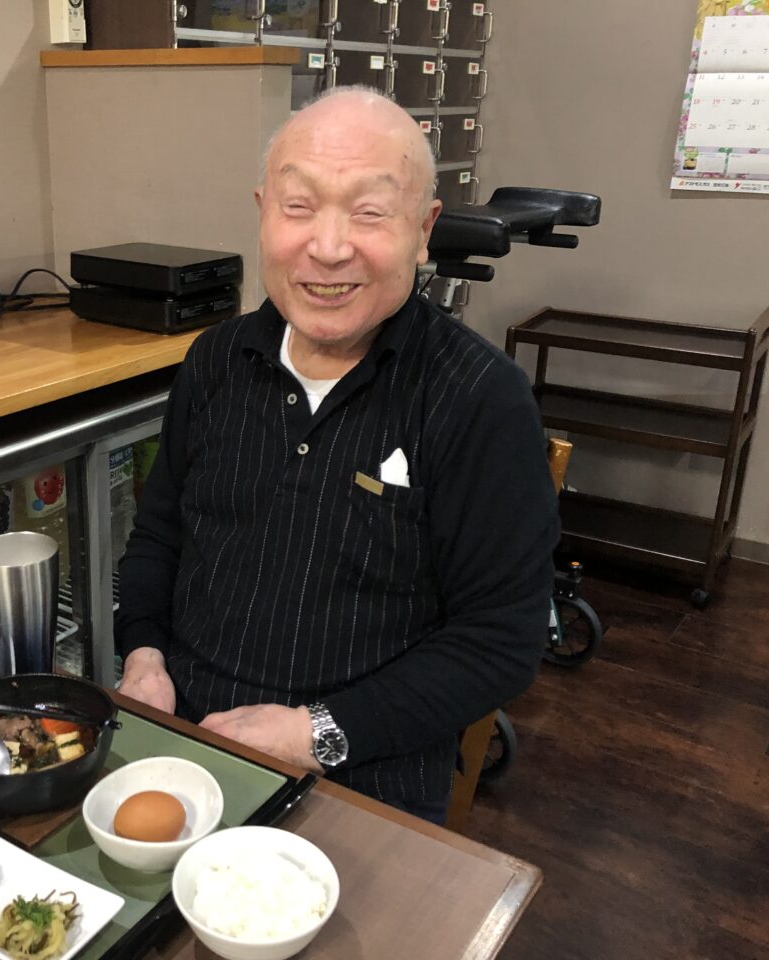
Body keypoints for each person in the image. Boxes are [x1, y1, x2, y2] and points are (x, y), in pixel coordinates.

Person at [115, 86, 558, 824]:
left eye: (369, 212)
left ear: (424, 231)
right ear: (263, 212)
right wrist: (142, 657)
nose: (327, 247)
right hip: (183, 735)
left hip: (365, 771)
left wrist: (313, 733)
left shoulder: (481, 398)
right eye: (299, 206)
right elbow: (160, 535)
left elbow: (501, 641)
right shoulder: (215, 360)